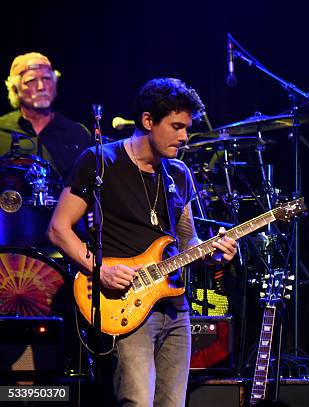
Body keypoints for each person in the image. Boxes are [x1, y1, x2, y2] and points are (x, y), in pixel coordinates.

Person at [47, 78, 237, 406]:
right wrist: (99, 269)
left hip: (175, 306)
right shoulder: (100, 161)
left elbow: (188, 238)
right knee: (137, 401)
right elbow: (58, 229)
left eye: (187, 128)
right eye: (176, 126)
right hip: (127, 303)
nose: (184, 136)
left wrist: (212, 254)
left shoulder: (178, 173)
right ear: (148, 121)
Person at [0, 52, 92, 180]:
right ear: (15, 90)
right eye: (31, 81)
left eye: (47, 79)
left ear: (54, 85)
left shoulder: (78, 133)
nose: (41, 86)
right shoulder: (1, 130)